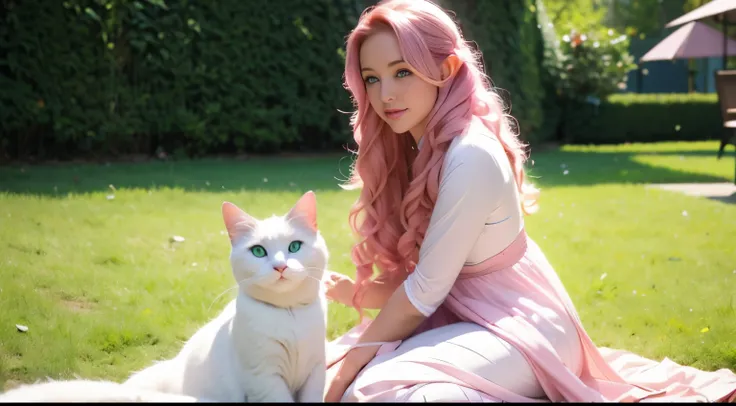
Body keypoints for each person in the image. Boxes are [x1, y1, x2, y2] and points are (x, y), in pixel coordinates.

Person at [322, 0, 736, 402]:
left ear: (446, 69)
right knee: (331, 371)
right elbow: (425, 278)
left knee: (372, 388)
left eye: (402, 72)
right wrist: (351, 292)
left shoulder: (470, 154)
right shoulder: (417, 150)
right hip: (465, 320)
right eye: (372, 78)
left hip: (521, 327)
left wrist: (348, 370)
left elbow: (424, 292)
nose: (386, 94)